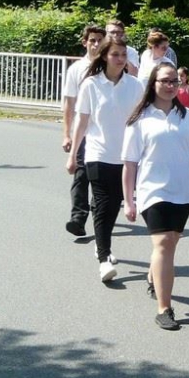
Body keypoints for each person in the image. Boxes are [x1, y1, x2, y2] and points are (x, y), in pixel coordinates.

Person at [122, 62, 189, 331]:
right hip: (152, 190)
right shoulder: (140, 119)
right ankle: (164, 308)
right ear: (153, 84)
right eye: (164, 81)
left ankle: (153, 276)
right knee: (163, 243)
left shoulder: (188, 118)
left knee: (170, 243)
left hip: (182, 191)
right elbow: (130, 163)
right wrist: (129, 199)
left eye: (174, 81)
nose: (170, 86)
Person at [65, 38, 144, 282]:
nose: (120, 59)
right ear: (104, 57)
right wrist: (72, 155)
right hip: (97, 154)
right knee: (101, 203)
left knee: (112, 206)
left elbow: (143, 121)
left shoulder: (135, 86)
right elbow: (82, 121)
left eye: (123, 55)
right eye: (115, 55)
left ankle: (101, 244)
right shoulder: (91, 84)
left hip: (125, 157)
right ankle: (104, 259)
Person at [62, 23, 105, 237]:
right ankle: (77, 218)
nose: (96, 44)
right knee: (80, 175)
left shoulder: (110, 68)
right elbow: (69, 104)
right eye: (92, 40)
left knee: (99, 177)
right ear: (85, 43)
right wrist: (67, 134)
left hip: (103, 133)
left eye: (99, 40)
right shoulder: (76, 69)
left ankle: (99, 214)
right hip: (83, 131)